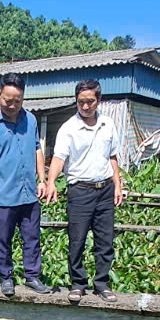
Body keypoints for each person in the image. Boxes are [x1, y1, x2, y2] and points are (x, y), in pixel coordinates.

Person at [43, 79, 123, 302]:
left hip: (105, 188)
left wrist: (117, 185)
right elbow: (59, 158)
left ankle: (102, 284)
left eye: (90, 102)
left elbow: (113, 156)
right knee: (77, 239)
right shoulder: (69, 128)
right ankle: (78, 283)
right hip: (80, 190)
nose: (85, 106)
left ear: (99, 100)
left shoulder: (108, 124)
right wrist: (51, 183)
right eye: (81, 102)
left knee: (105, 240)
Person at [0, 73, 52, 297]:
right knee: (4, 239)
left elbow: (37, 148)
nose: (12, 104)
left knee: (32, 238)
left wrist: (42, 179)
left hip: (29, 194)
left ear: (23, 98)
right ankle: (6, 277)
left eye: (17, 100)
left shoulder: (31, 120)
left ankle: (32, 276)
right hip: (4, 195)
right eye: (8, 100)